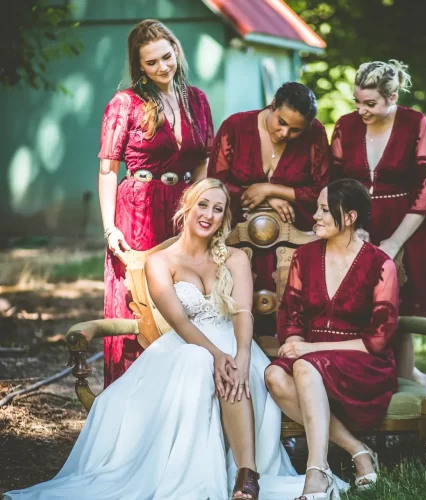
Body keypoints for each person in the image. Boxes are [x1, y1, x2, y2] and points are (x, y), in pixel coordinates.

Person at [4, 179, 349, 500]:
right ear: (187, 204)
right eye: (203, 205)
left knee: (235, 369)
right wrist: (217, 355)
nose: (209, 215)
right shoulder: (160, 262)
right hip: (186, 346)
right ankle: (219, 472)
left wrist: (243, 355)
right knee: (199, 361)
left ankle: (248, 472)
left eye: (218, 209)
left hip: (236, 341)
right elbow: (180, 321)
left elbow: (243, 312)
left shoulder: (236, 258)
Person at [265, 179, 399, 499]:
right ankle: (358, 449)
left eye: (325, 209)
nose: (315, 216)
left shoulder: (381, 264)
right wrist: (296, 340)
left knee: (305, 367)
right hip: (313, 357)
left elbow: (377, 339)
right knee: (273, 374)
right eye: (318, 208)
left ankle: (317, 470)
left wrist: (310, 348)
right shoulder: (305, 256)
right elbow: (291, 315)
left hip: (362, 361)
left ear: (350, 217)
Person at [98, 19, 213, 386]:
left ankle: (183, 395)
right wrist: (109, 227)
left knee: (188, 297)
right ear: (140, 66)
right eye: (152, 62)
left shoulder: (197, 99)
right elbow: (107, 170)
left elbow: (202, 162)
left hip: (184, 209)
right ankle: (133, 395)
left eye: (167, 56)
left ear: (176, 50)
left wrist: (204, 208)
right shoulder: (125, 103)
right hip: (138, 210)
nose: (163, 67)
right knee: (140, 299)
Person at [331, 60, 426, 391]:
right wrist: (353, 228)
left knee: (403, 310)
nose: (361, 110)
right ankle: (379, 380)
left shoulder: (415, 123)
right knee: (358, 309)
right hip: (357, 226)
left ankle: (408, 378)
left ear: (393, 96)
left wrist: (395, 243)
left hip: (406, 226)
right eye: (356, 101)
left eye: (370, 103)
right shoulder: (344, 126)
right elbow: (336, 182)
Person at [208, 82, 331, 296]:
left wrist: (270, 190)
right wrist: (268, 199)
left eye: (295, 130)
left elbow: (323, 189)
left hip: (297, 242)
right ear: (272, 105)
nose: (285, 133)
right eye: (281, 122)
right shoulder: (236, 127)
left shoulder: (315, 132)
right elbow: (215, 184)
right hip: (237, 239)